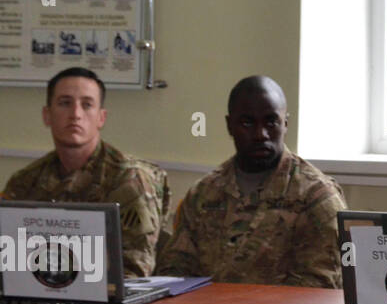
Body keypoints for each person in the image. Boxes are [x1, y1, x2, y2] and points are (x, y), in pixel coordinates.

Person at [157, 76, 346, 287]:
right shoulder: (204, 193)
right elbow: (174, 271)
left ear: (285, 124)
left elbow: (319, 288)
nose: (260, 134)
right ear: (230, 126)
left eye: (270, 122)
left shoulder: (316, 196)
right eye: (247, 123)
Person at [2, 68, 169, 277]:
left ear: (101, 118)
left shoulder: (129, 180)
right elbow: (9, 256)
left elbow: (133, 270)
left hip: (106, 302)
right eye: (65, 103)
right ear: (47, 116)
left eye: (87, 105)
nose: (75, 114)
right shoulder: (25, 181)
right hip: (41, 295)